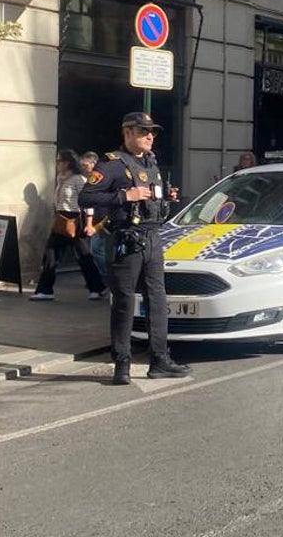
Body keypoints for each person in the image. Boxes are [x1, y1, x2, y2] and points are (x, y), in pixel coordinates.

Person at [79, 112, 191, 385]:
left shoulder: (151, 162)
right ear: (127, 133)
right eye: (143, 131)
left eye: (152, 131)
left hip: (153, 235)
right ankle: (122, 363)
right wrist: (123, 196)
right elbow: (86, 197)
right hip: (127, 239)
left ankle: (160, 360)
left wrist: (167, 196)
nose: (150, 136)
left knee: (157, 300)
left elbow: (152, 193)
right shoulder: (112, 164)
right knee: (125, 301)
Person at [31, 149, 107, 301]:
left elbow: (87, 202)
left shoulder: (79, 179)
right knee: (52, 254)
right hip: (61, 219)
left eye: (59, 161)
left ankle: (96, 287)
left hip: (75, 220)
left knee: (83, 256)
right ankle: (46, 290)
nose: (57, 164)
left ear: (67, 163)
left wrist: (89, 224)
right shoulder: (60, 178)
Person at [78, 151, 108, 283]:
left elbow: (91, 202)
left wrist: (90, 224)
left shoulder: (99, 179)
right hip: (96, 219)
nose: (83, 168)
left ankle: (106, 277)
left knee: (97, 250)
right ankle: (102, 278)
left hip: (103, 219)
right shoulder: (86, 179)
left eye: (85, 165)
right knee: (96, 250)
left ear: (93, 164)